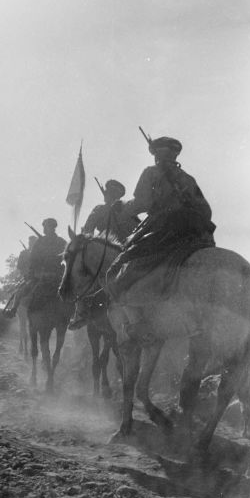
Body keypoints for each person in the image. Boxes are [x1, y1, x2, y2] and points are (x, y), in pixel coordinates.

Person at [106, 136, 216, 344]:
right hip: (197, 232)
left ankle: (138, 325)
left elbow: (143, 202)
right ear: (175, 155)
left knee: (122, 266)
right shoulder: (187, 178)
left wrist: (121, 209)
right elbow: (206, 210)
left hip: (164, 228)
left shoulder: (151, 173)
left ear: (156, 155)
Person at [68, 180, 139, 331]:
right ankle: (81, 312)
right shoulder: (118, 208)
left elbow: (88, 232)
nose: (109, 196)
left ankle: (80, 314)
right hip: (121, 251)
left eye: (111, 194)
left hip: (112, 252)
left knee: (85, 278)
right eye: (110, 193)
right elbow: (88, 229)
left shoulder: (106, 209)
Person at [5, 219, 66, 316]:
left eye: (45, 227)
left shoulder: (40, 242)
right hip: (58, 275)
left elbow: (33, 260)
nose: (44, 229)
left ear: (50, 227)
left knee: (20, 292)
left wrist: (31, 274)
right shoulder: (61, 242)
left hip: (42, 276)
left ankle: (13, 310)